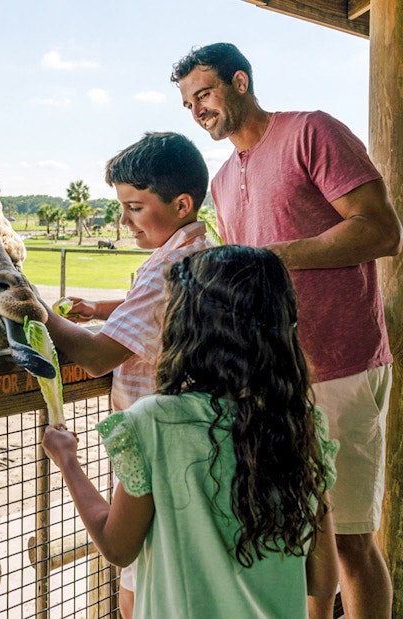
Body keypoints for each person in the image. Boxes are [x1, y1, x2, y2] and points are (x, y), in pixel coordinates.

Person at [171, 42, 403, 619]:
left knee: (350, 539)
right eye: (187, 102)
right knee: (297, 539)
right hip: (272, 380)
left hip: (342, 367)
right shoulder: (222, 182)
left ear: (241, 82)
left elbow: (381, 232)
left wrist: (271, 255)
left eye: (204, 92)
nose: (197, 109)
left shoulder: (312, 132)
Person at [42, 244, 340, 619]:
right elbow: (323, 577)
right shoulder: (301, 422)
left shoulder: (154, 422)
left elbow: (118, 547)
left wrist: (67, 460)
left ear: (187, 326)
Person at [40, 130, 212, 618]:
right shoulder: (204, 253)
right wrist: (100, 306)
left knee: (135, 591)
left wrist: (37, 309)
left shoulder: (165, 270)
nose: (124, 220)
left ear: (181, 204)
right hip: (192, 444)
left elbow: (96, 358)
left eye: (135, 207)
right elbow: (153, 308)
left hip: (154, 445)